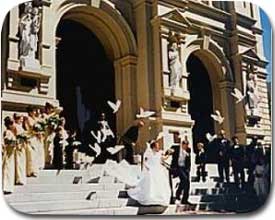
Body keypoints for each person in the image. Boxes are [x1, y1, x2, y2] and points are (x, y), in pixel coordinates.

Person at [127, 140, 171, 206]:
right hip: (151, 170)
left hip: (158, 171)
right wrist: (147, 167)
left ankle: (159, 198)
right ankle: (150, 198)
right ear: (153, 147)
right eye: (157, 147)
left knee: (160, 184)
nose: (158, 148)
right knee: (151, 184)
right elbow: (144, 161)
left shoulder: (159, 153)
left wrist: (168, 154)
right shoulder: (149, 153)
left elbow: (163, 158)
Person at [169, 140, 192, 205]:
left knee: (187, 183)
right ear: (182, 144)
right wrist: (170, 151)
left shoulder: (188, 150)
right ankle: (178, 194)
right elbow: (169, 151)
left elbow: (189, 160)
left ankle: (184, 199)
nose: (186, 147)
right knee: (185, 180)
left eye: (187, 145)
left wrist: (188, 169)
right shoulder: (175, 148)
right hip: (177, 167)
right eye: (185, 145)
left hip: (185, 168)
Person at [2, 117, 17, 194]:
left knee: (10, 169)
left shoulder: (11, 132)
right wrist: (14, 143)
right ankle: (6, 186)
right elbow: (7, 140)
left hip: (11, 153)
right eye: (13, 124)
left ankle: (8, 186)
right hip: (8, 153)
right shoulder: (7, 132)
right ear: (10, 125)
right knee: (7, 169)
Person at [13, 113, 27, 185]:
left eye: (22, 119)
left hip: (22, 144)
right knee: (19, 161)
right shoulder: (14, 126)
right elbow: (14, 136)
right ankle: (18, 178)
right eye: (20, 119)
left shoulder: (20, 126)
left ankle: (21, 177)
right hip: (18, 144)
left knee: (22, 161)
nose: (21, 120)